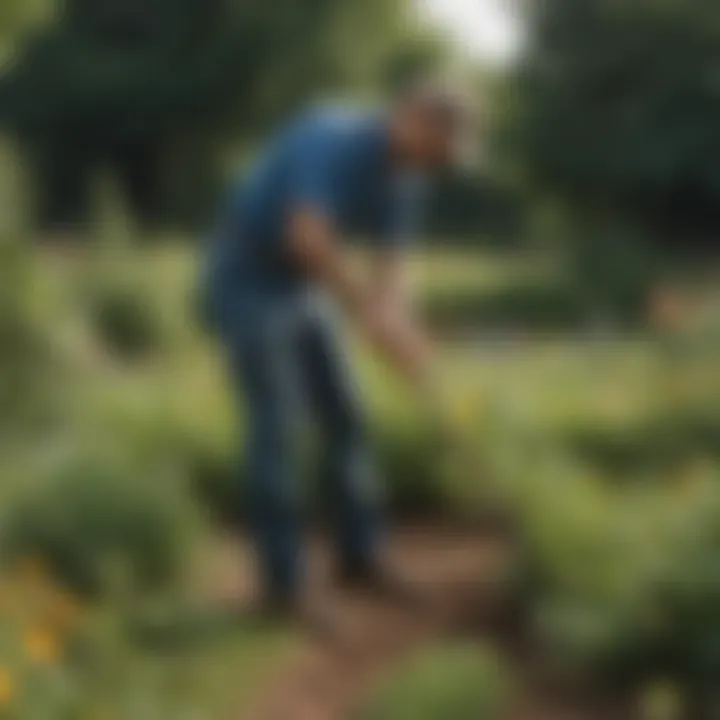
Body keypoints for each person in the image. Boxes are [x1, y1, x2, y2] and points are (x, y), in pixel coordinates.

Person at [202, 79, 477, 618]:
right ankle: (283, 587)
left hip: (304, 287)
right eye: (436, 151)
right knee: (278, 429)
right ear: (411, 120)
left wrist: (400, 326)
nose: (436, 166)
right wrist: (365, 313)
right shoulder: (329, 136)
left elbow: (394, 264)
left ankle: (360, 556)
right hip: (249, 277)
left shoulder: (406, 175)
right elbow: (306, 237)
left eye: (445, 160)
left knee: (349, 415)